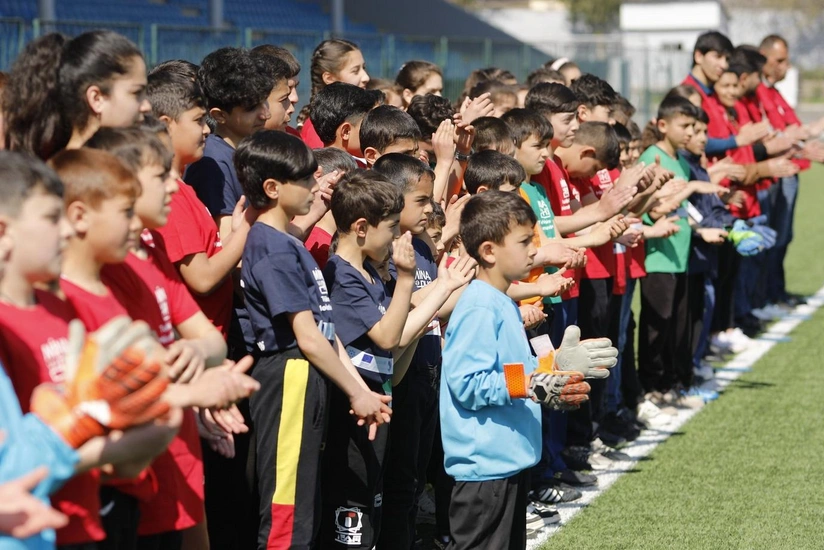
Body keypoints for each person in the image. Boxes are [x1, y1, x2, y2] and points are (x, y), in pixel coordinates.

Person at [235, 130, 391, 548]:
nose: (315, 186)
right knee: (287, 510)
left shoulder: (290, 241)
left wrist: (360, 390)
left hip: (307, 379)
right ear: (272, 188)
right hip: (287, 377)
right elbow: (306, 336)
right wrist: (355, 392)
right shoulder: (271, 246)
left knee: (306, 505)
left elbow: (326, 331)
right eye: (306, 180)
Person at [440, 190, 601, 549]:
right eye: (525, 240)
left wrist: (556, 364)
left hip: (509, 459)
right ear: (488, 251)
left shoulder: (500, 300)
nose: (534, 249)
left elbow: (518, 369)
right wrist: (531, 383)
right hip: (485, 469)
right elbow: (469, 382)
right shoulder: (479, 305)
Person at [3, 31, 152, 160]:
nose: (146, 106)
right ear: (96, 98)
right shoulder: (69, 180)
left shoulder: (126, 164)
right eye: (136, 92)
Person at [185, 47, 273, 238]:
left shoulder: (250, 152)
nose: (266, 114)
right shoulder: (213, 163)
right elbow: (226, 245)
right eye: (251, 108)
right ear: (219, 115)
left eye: (264, 102)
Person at [298, 39, 370, 148]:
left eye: (363, 68)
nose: (366, 77)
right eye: (355, 71)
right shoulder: (318, 130)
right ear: (329, 78)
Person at [309, 82, 383, 163]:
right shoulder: (344, 173)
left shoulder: (312, 167)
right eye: (369, 124)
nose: (375, 129)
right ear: (346, 131)